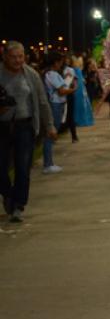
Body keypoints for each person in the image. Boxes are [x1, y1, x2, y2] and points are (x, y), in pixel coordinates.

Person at [1, 42, 57, 222]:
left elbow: (42, 102)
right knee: (1, 167)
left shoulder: (31, 75)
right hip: (1, 127)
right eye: (13, 57)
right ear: (5, 57)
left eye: (20, 56)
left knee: (23, 167)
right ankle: (7, 194)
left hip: (24, 126)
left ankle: (18, 204)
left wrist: (49, 125)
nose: (18, 60)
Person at [42, 53, 76, 174]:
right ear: (55, 62)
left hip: (56, 104)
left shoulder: (50, 74)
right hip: (55, 105)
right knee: (51, 133)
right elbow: (61, 91)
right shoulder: (52, 74)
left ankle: (49, 163)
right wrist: (73, 89)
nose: (61, 64)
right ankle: (48, 164)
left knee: (51, 133)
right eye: (60, 61)